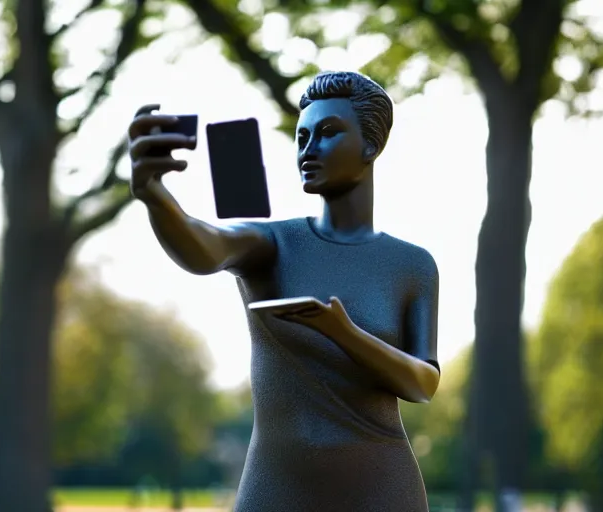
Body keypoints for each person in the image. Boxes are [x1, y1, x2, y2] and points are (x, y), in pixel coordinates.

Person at [128, 71, 441, 512]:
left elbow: (423, 383)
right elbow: (202, 247)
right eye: (302, 137)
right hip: (277, 488)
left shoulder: (412, 265)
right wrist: (155, 196)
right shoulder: (272, 244)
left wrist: (342, 332)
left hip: (382, 488)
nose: (308, 151)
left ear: (371, 145)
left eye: (328, 133)